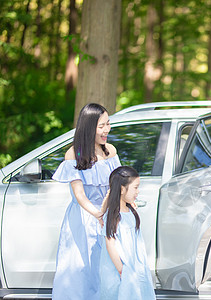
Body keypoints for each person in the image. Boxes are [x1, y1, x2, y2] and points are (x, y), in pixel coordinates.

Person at [52, 103, 121, 299]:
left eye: (108, 124)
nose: (107, 129)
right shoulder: (75, 154)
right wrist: (97, 213)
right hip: (83, 218)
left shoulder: (111, 151)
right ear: (89, 126)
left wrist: (111, 212)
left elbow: (117, 186)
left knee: (106, 271)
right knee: (79, 271)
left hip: (107, 216)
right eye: (101, 126)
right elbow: (79, 195)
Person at [99, 166, 156, 300]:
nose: (138, 191)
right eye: (135, 187)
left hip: (134, 266)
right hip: (121, 269)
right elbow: (110, 245)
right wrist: (122, 271)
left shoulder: (130, 211)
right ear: (122, 189)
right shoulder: (114, 215)